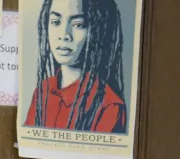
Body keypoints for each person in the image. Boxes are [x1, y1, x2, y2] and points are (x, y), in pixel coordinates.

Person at [23, 0, 129, 133]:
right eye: (56, 22)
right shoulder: (43, 91)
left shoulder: (109, 105)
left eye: (78, 25)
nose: (64, 35)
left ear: (98, 31)